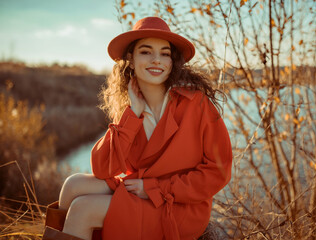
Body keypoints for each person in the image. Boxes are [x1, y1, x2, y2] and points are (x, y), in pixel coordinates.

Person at [42, 16, 232, 240]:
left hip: (178, 206)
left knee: (84, 209)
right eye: (146, 51)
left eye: (165, 53)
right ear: (130, 59)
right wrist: (132, 114)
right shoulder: (130, 108)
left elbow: (218, 171)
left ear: (172, 62)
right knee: (73, 185)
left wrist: (157, 189)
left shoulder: (196, 104)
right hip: (141, 190)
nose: (156, 60)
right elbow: (102, 168)